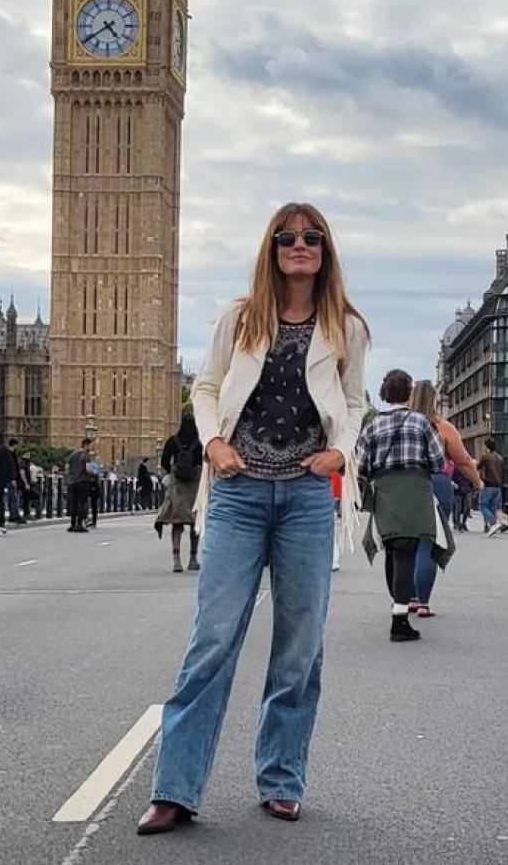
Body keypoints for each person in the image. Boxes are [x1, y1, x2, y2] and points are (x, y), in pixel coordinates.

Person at [138, 202, 368, 834]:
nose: (300, 245)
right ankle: (175, 789)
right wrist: (212, 443)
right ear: (271, 249)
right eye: (288, 237)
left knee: (299, 648)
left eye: (312, 237)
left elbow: (352, 402)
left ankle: (281, 779)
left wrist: (340, 452)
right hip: (239, 493)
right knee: (211, 641)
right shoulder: (239, 320)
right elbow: (206, 386)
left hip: (304, 499)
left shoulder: (345, 326)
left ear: (325, 251)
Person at [357, 369, 448, 640]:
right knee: (408, 549)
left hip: (386, 491)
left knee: (392, 548)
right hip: (415, 490)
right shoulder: (421, 423)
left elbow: (361, 465)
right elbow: (438, 461)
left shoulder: (373, 425)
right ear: (408, 392)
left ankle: (397, 605)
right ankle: (399, 621)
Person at [408, 379, 481, 615]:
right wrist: (477, 481)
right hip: (436, 483)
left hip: (402, 483)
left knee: (404, 544)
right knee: (428, 543)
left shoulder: (401, 423)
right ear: (435, 399)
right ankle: (423, 602)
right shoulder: (443, 427)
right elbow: (462, 460)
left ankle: (405, 596)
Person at [155, 417, 203, 572]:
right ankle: (193, 558)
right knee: (194, 522)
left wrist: (174, 471)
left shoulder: (172, 441)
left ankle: (176, 560)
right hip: (194, 483)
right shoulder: (199, 440)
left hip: (177, 484)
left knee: (177, 521)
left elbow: (163, 462)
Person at [0, 432, 20, 535]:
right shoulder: (6, 449)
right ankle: (1, 525)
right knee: (0, 500)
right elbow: (11, 466)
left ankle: (0, 525)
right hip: (4, 480)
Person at [66, 438, 96, 532]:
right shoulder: (85, 456)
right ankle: (79, 525)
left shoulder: (72, 455)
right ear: (86, 445)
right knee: (82, 503)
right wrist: (94, 473)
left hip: (73, 482)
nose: (90, 447)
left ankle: (72, 524)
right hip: (83, 482)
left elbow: (67, 468)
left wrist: (71, 476)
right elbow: (88, 469)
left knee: (73, 503)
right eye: (90, 445)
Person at [477, 438, 505, 533]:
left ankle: (493, 523)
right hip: (498, 486)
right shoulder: (500, 457)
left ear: (486, 446)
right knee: (493, 506)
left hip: (488, 484)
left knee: (483, 505)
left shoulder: (486, 457)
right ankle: (492, 527)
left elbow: (478, 467)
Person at [8, 439, 26, 524]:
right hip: (11, 479)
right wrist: (13, 478)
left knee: (12, 497)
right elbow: (11, 467)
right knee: (14, 498)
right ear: (14, 445)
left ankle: (12, 515)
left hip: (12, 478)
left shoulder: (11, 454)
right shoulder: (9, 454)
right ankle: (16, 516)